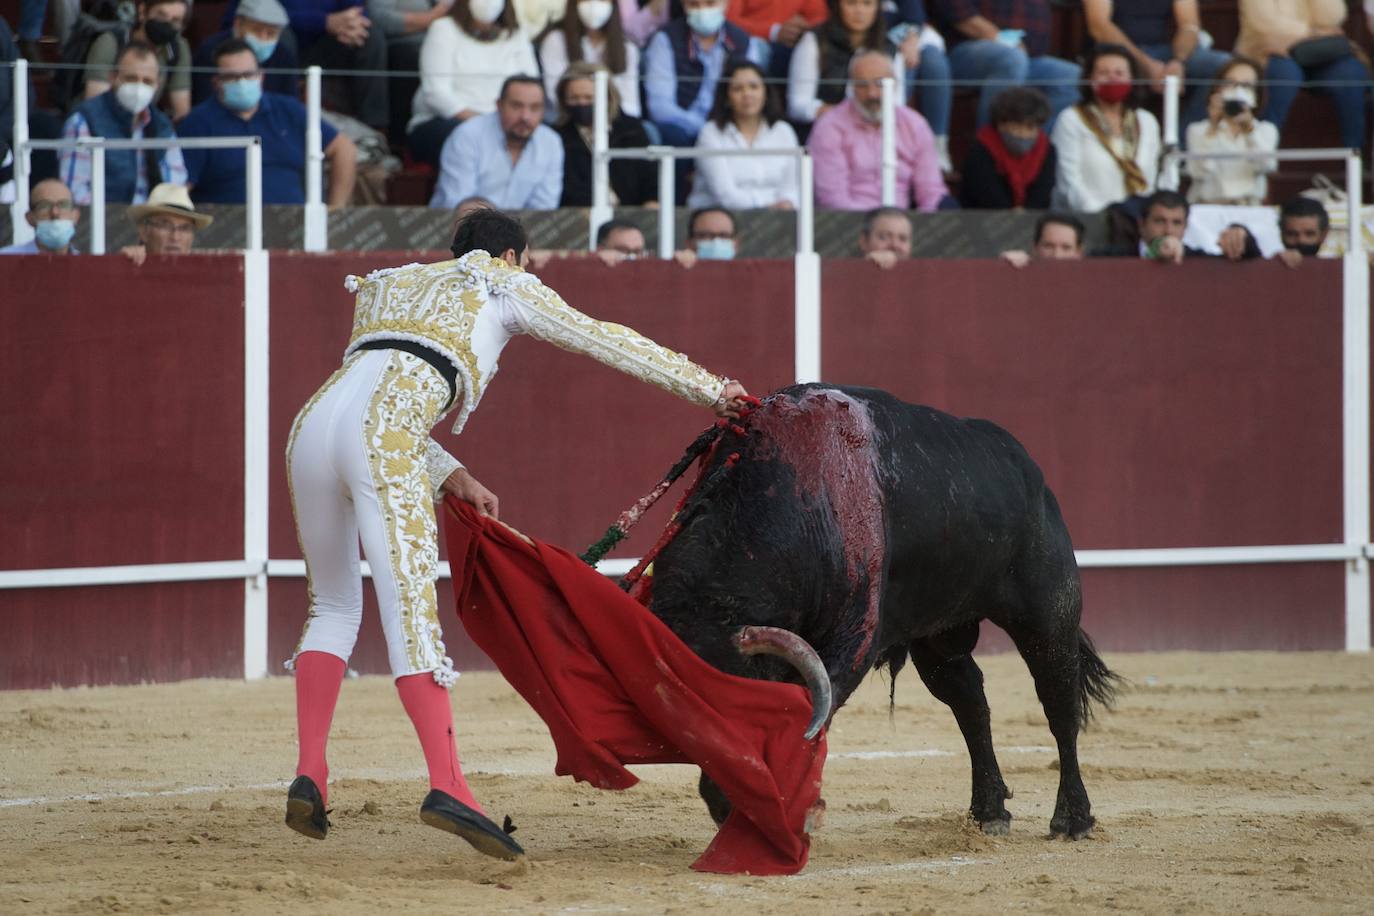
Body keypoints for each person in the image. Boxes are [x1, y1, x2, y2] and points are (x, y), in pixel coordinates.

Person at [281, 207, 750, 854]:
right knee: (412, 615)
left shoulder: (388, 284)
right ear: (511, 256)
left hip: (311, 427)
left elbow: (369, 388)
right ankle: (447, 783)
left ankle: (310, 772)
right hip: (385, 432)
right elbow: (603, 337)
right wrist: (711, 389)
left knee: (331, 605)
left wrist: (451, 473)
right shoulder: (501, 281)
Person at [178, 38, 358, 207]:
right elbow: (179, 188)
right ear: (216, 83)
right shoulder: (197, 123)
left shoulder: (288, 110)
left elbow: (344, 149)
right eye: (232, 77)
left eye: (249, 75)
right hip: (228, 231)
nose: (242, 82)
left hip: (293, 228)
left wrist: (334, 212)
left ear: (261, 77)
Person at [808, 50, 948, 211]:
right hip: (848, 226)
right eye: (862, 85)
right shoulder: (830, 126)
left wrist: (916, 230)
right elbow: (832, 198)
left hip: (902, 227)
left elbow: (931, 192)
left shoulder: (915, 125)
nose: (872, 93)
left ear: (895, 83)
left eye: (880, 84)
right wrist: (876, 229)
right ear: (851, 86)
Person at [220, 0, 391, 133]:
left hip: (325, 43)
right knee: (279, 35)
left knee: (369, 37)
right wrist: (324, 22)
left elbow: (358, 12)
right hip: (275, 44)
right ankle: (282, 124)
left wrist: (352, 24)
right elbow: (260, 16)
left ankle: (373, 131)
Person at [407, 0, 540, 167]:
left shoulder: (516, 35)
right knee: (471, 139)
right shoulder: (444, 29)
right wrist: (487, 124)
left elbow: (531, 85)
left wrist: (510, 121)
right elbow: (436, 93)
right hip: (448, 121)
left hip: (508, 122)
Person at [61, 41, 188, 206]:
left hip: (152, 221)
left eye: (147, 81)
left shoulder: (161, 124)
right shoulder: (84, 120)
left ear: (157, 85)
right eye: (131, 78)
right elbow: (75, 191)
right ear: (113, 77)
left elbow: (174, 185)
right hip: (102, 221)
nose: (139, 87)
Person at [1237, 0, 1369, 150]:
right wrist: (1313, 32)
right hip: (1269, 53)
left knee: (1350, 73)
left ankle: (1354, 156)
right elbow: (1265, 23)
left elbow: (1333, 17)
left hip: (1316, 53)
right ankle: (1263, 151)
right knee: (1285, 74)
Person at [927, 0, 1079, 128]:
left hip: (1027, 56)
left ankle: (1029, 148)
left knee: (1075, 79)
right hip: (964, 50)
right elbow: (954, 7)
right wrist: (1002, 39)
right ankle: (991, 151)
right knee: (1010, 60)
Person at [1083, 0, 1231, 129]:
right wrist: (1147, 65)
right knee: (1114, 67)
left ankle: (1184, 142)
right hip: (1115, 50)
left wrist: (1178, 62)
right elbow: (1099, 26)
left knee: (1221, 65)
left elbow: (1189, 25)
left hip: (1165, 50)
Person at [1051, 44, 1160, 213]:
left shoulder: (1146, 121)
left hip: (1136, 220)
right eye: (1103, 73)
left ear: (1132, 78)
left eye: (1119, 73)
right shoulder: (1071, 119)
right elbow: (1068, 180)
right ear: (1090, 79)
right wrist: (1100, 214)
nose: (1112, 78)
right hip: (1087, 218)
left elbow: (1151, 178)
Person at [643, 0, 768, 146]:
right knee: (672, 135)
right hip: (684, 132)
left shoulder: (743, 41)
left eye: (710, 3)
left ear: (725, 4)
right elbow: (660, 107)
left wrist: (726, 129)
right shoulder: (666, 40)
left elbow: (754, 94)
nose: (703, 11)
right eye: (694, 5)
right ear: (684, 6)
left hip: (730, 133)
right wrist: (706, 130)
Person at [430, 75, 563, 209]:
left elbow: (545, 209)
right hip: (461, 227)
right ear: (499, 105)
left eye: (535, 108)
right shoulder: (468, 135)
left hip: (520, 228)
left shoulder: (551, 142)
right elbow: (459, 205)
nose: (525, 116)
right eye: (516, 106)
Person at [688, 60, 800, 209]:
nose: (747, 94)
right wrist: (765, 208)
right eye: (737, 89)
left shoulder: (783, 131)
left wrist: (787, 204)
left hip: (778, 217)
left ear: (766, 93)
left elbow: (792, 188)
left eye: (754, 87)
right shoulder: (711, 133)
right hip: (719, 217)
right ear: (726, 97)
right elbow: (724, 194)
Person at [554, 63, 657, 207]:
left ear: (608, 97)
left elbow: (650, 178)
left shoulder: (630, 130)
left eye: (588, 98)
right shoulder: (557, 137)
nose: (581, 103)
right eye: (574, 98)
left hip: (633, 214)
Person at [1185, 56, 1277, 206]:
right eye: (1230, 83)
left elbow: (1266, 166)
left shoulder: (1266, 130)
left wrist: (1249, 130)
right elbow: (1199, 172)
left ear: (1256, 94)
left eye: (1246, 86)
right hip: (1208, 207)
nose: (1238, 91)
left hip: (1248, 209)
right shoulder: (1197, 129)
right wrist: (1213, 126)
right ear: (1217, 88)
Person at [787, 0, 895, 126]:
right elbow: (798, 105)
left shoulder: (890, 48)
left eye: (867, 3)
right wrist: (843, 116)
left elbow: (897, 104)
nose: (859, 11)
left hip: (877, 134)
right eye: (851, 3)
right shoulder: (814, 41)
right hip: (824, 129)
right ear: (836, 5)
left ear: (878, 8)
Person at [83, 0, 193, 121]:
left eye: (175, 21)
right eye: (161, 15)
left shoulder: (177, 49)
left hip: (145, 124)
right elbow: (95, 107)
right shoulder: (111, 43)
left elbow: (182, 112)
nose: (167, 24)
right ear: (142, 12)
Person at [1093, 189, 1259, 262]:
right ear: (1141, 225)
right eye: (1159, 221)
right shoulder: (1113, 258)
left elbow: (1249, 262)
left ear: (1185, 227)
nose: (1168, 230)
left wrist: (1243, 238)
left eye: (1176, 223)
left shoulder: (1197, 260)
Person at [540, 0, 642, 118]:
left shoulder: (628, 49)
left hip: (615, 122)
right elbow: (555, 95)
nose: (594, 4)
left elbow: (630, 104)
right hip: (569, 119)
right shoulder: (556, 41)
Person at [958, 86, 1055, 209]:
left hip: (1032, 219)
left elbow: (1042, 194)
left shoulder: (1047, 150)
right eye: (1016, 126)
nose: (1023, 134)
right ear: (1000, 124)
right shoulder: (981, 149)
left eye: (1030, 127)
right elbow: (986, 194)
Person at [370, 0, 455, 141]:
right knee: (410, 58)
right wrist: (433, 16)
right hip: (403, 44)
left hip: (448, 41)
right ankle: (401, 142)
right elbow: (379, 18)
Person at [191, 0, 301, 106]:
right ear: (238, 24)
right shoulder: (211, 50)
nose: (263, 38)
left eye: (271, 33)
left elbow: (289, 105)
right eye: (256, 30)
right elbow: (203, 100)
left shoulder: (284, 56)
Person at [726, 0, 827, 79]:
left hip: (795, 44)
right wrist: (773, 31)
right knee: (760, 48)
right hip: (752, 44)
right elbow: (728, 19)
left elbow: (819, 18)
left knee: (812, 47)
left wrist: (802, 30)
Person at [119, 182, 212, 264]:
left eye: (184, 228)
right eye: (165, 226)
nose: (175, 237)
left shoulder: (204, 273)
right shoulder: (130, 267)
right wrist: (122, 265)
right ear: (144, 232)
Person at [0, 178, 81, 254]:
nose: (55, 213)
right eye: (45, 205)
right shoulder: (4, 260)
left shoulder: (86, 266)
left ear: (75, 215)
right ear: (29, 218)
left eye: (63, 205)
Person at [999, 211, 1085, 267]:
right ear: (1035, 248)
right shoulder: (1022, 278)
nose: (1057, 256)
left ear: (1079, 253)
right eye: (1048, 246)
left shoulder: (1090, 284)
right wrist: (1007, 268)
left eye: (1066, 248)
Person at [1275, 195, 1329, 267]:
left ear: (1323, 235)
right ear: (1282, 234)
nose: (1301, 240)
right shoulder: (1269, 268)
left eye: (1309, 234)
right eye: (1292, 234)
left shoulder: (1336, 270)